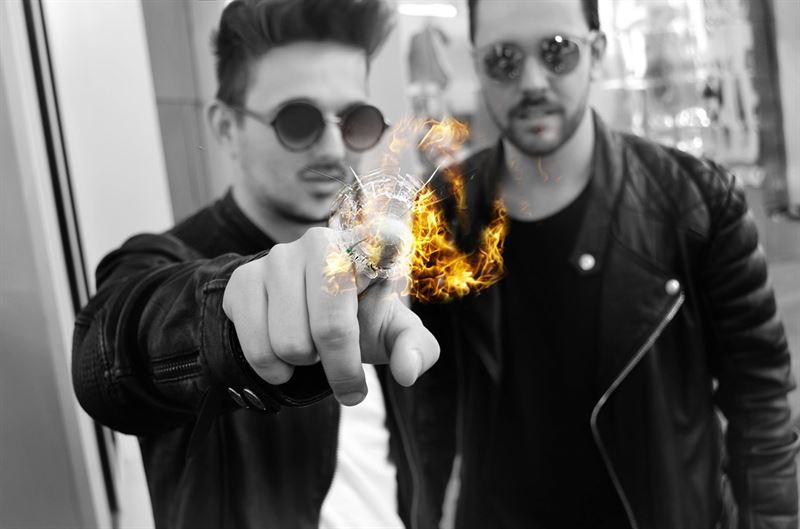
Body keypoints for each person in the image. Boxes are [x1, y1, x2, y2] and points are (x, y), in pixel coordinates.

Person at [405, 1, 799, 528]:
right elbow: (427, 406)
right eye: (504, 60)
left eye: (558, 52)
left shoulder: (695, 202)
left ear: (597, 52)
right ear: (477, 65)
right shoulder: (443, 212)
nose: (533, 82)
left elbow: (761, 399)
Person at [71, 1, 439, 528]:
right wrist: (225, 322)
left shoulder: (372, 257)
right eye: (298, 120)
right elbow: (109, 355)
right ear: (226, 127)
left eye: (354, 121)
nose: (333, 149)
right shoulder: (169, 259)